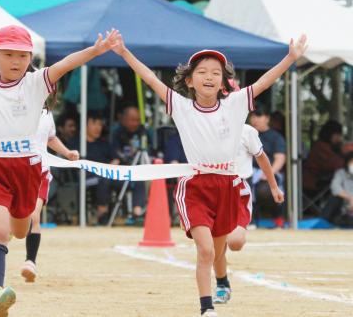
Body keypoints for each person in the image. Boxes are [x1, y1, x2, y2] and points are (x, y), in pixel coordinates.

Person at [0, 3, 119, 316]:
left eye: (22, 55)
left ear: (30, 59)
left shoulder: (36, 83)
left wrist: (95, 51)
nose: (16, 61)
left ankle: (14, 259)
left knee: (19, 230)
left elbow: (66, 64)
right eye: (8, 54)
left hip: (28, 170)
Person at [113, 33, 307, 317]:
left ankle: (222, 280)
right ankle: (207, 309)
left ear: (223, 81)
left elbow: (264, 82)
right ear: (189, 81)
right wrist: (124, 52)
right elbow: (151, 79)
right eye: (202, 72)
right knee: (204, 251)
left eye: (216, 72)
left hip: (228, 186)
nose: (209, 76)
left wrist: (290, 58)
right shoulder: (180, 106)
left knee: (218, 252)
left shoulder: (236, 104)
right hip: (196, 185)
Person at [212, 82, 284, 304]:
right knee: (214, 246)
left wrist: (273, 185)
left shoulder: (248, 132)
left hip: (237, 191)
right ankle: (222, 283)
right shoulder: (205, 127)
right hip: (212, 190)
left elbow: (262, 159)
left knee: (234, 242)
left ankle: (224, 245)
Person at [20, 108, 79, 283]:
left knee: (33, 215)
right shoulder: (14, 106)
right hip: (15, 170)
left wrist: (67, 153)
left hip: (40, 172)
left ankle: (30, 261)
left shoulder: (47, 113)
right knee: (16, 220)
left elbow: (50, 138)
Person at [110, 105, 152, 224]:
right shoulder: (117, 134)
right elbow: (115, 154)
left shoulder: (143, 132)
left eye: (138, 120)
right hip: (122, 171)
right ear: (124, 119)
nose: (136, 123)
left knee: (140, 179)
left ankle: (137, 213)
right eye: (132, 120)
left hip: (141, 168)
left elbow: (151, 151)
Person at [303, 120, 345, 193]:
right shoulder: (321, 147)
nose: (339, 138)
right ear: (329, 134)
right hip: (314, 184)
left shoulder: (325, 146)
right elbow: (336, 164)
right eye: (337, 135)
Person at [323, 152, 353, 227]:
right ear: (347, 163)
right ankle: (322, 223)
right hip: (342, 209)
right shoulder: (341, 173)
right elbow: (334, 187)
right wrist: (350, 198)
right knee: (334, 198)